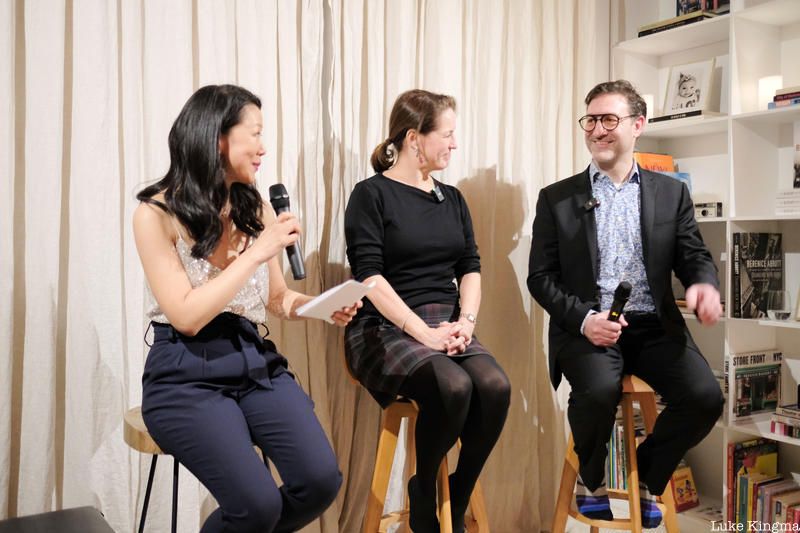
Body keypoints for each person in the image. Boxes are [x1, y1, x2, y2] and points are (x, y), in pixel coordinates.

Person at [133, 84, 360, 533]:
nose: (263, 147)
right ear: (218, 137)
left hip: (252, 359)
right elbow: (186, 315)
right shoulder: (154, 214)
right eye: (254, 134)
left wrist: (318, 306)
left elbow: (276, 299)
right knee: (256, 506)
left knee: (319, 482)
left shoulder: (252, 204)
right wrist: (258, 252)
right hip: (184, 370)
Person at [527, 80, 724, 528]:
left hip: (654, 325)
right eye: (591, 120)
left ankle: (647, 475)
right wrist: (584, 320)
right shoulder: (556, 199)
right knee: (596, 392)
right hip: (590, 324)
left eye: (609, 119)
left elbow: (693, 255)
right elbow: (540, 278)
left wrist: (704, 285)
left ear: (638, 125)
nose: (597, 130)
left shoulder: (670, 193)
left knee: (705, 397)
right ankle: (591, 478)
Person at [343, 89, 510, 533]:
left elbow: (470, 267)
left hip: (447, 321)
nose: (455, 144)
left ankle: (455, 493)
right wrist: (425, 333)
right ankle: (422, 490)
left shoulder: (452, 198)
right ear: (414, 138)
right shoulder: (371, 194)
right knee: (454, 386)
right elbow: (370, 279)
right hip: (385, 324)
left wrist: (465, 323)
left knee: (494, 386)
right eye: (448, 134)